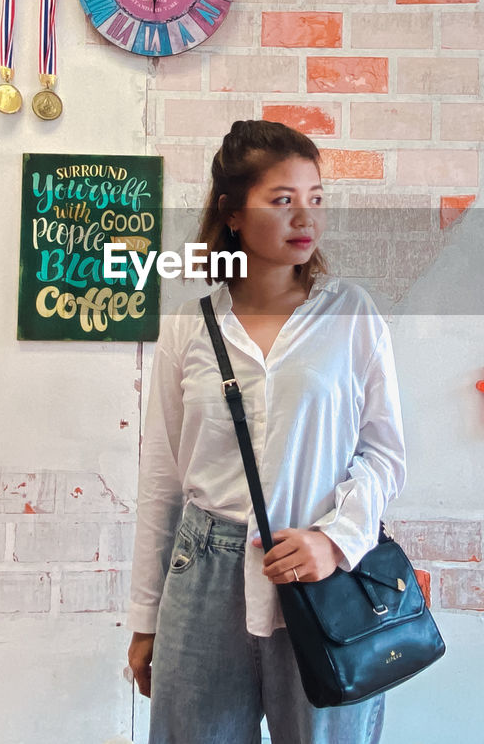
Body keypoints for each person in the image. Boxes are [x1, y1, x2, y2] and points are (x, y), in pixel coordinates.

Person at [126, 120, 406, 744]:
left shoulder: (351, 314)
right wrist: (145, 618)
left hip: (323, 573)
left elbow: (384, 456)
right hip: (203, 573)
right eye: (283, 200)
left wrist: (335, 542)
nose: (305, 217)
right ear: (231, 213)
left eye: (315, 198)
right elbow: (163, 479)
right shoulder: (189, 325)